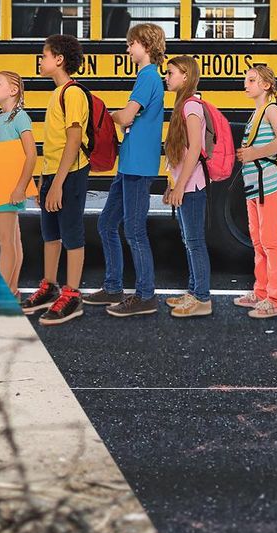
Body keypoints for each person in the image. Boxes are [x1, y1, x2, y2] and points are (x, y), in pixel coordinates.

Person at [85, 23, 165, 318]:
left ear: (145, 45)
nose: (128, 49)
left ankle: (145, 295)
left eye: (131, 44)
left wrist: (105, 117)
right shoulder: (146, 77)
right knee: (106, 224)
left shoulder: (148, 77)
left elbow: (127, 115)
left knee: (133, 231)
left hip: (139, 165)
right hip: (129, 163)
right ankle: (114, 286)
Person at [22, 34, 90, 327]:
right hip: (53, 173)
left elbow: (74, 141)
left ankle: (72, 295)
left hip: (70, 174)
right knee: (50, 233)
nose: (41, 60)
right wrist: (42, 182)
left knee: (72, 233)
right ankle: (49, 285)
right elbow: (52, 143)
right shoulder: (57, 92)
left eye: (45, 55)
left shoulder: (72, 93)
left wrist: (59, 183)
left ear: (59, 60)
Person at [234, 65, 277, 319]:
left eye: (251, 80)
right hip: (255, 185)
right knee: (259, 241)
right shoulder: (257, 112)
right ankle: (261, 291)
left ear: (266, 85)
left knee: (269, 241)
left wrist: (252, 153)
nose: (246, 84)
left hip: (269, 183)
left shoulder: (271, 110)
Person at [160, 56, 211, 318]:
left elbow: (193, 151)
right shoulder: (184, 105)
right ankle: (193, 291)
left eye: (170, 73)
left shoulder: (191, 107)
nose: (166, 77)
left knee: (194, 241)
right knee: (188, 240)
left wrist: (180, 186)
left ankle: (202, 297)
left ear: (185, 76)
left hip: (192, 186)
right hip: (185, 184)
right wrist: (173, 184)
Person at [0, 70, 36, 292]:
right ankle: (13, 290)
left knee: (5, 241)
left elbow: (31, 155)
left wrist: (20, 187)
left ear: (13, 90)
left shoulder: (20, 117)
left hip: (9, 188)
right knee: (13, 240)